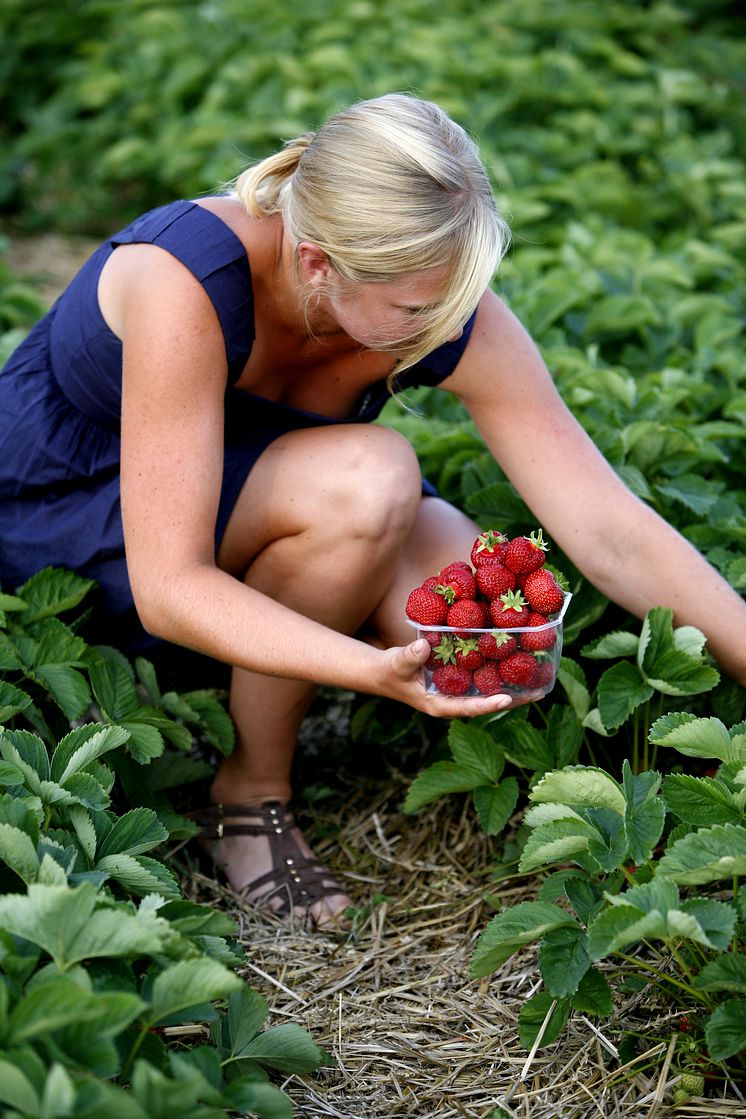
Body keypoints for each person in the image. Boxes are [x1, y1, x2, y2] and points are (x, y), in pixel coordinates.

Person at [1, 93, 745, 929]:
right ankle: (249, 795)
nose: (452, 321)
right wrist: (364, 669)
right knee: (372, 478)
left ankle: (269, 662)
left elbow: (610, 529)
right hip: (65, 523)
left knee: (472, 601)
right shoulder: (184, 279)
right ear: (319, 263)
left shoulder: (433, 301)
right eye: (422, 306)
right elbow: (170, 583)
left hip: (255, 504)